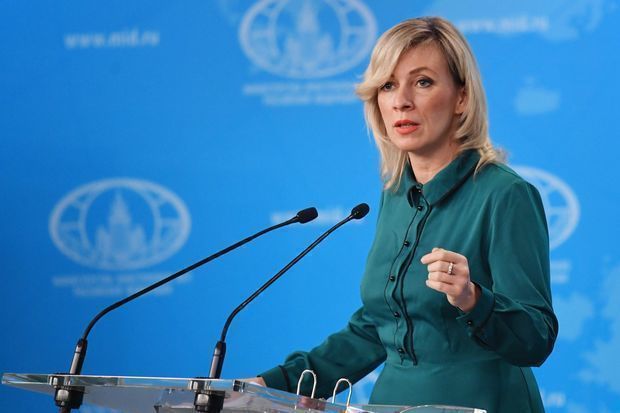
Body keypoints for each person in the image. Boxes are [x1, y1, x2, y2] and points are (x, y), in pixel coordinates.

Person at [249, 17, 558, 413]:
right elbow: (377, 327)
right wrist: (271, 386)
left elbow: (536, 338)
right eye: (388, 85)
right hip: (393, 405)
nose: (401, 101)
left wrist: (473, 298)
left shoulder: (506, 195)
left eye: (423, 82)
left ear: (462, 98)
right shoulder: (396, 194)